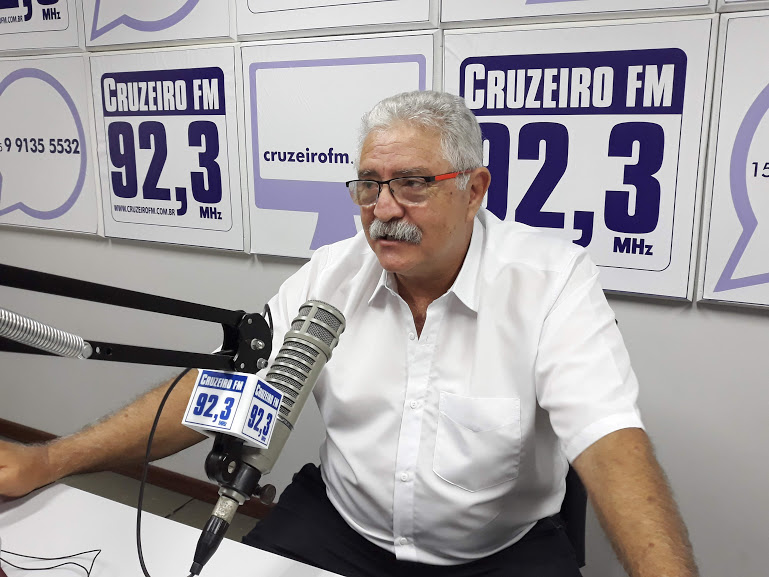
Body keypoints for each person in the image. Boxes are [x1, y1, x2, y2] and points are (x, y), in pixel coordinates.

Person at [0, 91, 697, 577]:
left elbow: (611, 444)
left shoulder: (550, 280)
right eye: (368, 184)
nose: (383, 209)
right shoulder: (331, 274)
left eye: (412, 183)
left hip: (499, 552)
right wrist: (50, 460)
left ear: (475, 188)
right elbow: (223, 389)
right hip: (342, 529)